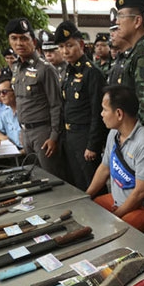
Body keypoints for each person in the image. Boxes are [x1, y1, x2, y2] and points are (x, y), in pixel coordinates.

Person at [86, 86, 144, 234]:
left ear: (119, 114)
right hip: (119, 200)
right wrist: (86, 196)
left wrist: (116, 216)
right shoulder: (113, 134)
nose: (101, 114)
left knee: (116, 230)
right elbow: (104, 169)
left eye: (104, 109)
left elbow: (141, 192)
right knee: (92, 209)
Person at [7, 17, 65, 178]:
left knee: (52, 177)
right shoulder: (16, 67)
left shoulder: (45, 69)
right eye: (14, 38)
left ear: (33, 41)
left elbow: (56, 105)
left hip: (43, 133)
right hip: (26, 132)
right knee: (35, 176)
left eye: (24, 38)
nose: (19, 43)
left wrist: (54, 136)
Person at [54, 21, 108, 191]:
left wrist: (93, 145)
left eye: (69, 45)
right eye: (61, 47)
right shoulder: (68, 72)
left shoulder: (92, 72)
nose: (65, 51)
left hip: (85, 137)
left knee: (93, 184)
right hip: (70, 137)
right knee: (77, 183)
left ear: (81, 44)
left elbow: (97, 112)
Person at [113, 0, 144, 129]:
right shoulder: (136, 50)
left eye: (121, 16)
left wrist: (134, 138)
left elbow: (143, 104)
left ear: (137, 21)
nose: (117, 22)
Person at [0, 77, 22, 149]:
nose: (1, 95)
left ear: (15, 91)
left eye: (4, 92)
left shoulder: (27, 111)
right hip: (13, 151)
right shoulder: (6, 113)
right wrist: (6, 140)